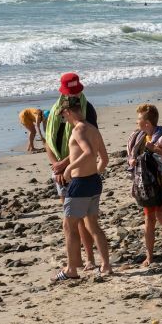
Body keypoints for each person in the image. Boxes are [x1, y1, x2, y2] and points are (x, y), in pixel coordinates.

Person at [44, 73, 100, 271]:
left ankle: (90, 258)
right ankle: (75, 260)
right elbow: (48, 142)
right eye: (71, 93)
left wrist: (66, 165)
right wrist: (56, 165)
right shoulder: (54, 113)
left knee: (83, 218)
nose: (74, 96)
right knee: (70, 220)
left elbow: (90, 142)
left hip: (78, 171)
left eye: (76, 93)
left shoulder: (88, 111)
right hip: (61, 170)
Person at [53, 95, 111, 281]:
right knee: (93, 224)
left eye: (64, 116)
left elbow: (88, 152)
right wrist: (95, 172)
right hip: (94, 182)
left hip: (80, 184)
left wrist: (69, 168)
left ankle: (71, 269)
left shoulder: (79, 129)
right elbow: (104, 158)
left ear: (68, 111)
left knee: (68, 225)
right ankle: (106, 265)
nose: (65, 119)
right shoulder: (93, 128)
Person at [126, 104, 162, 267]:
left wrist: (156, 149)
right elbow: (131, 156)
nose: (137, 123)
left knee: (160, 214)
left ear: (147, 124)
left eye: (139, 120)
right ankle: (149, 255)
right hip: (145, 181)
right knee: (149, 217)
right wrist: (131, 161)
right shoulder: (138, 137)